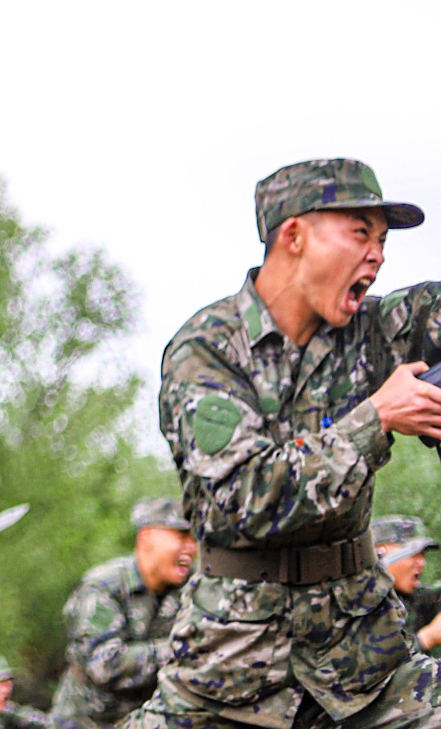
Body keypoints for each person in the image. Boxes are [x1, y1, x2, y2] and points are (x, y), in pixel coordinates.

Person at [125, 158, 441, 729]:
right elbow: (248, 499)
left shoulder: (376, 333)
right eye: (360, 233)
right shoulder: (207, 351)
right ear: (294, 236)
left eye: (384, 239)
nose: (379, 254)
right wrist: (377, 418)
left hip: (365, 660)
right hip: (231, 670)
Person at [52, 497, 197, 729]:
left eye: (195, 538)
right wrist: (184, 650)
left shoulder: (193, 588)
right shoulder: (102, 587)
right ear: (146, 537)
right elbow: (104, 664)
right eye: (181, 536)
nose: (191, 547)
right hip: (87, 723)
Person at [372, 516, 441, 655]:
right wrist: (426, 638)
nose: (421, 563)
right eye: (413, 554)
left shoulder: (411, 597)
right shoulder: (358, 603)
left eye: (422, 555)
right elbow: (369, 667)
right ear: (381, 551)